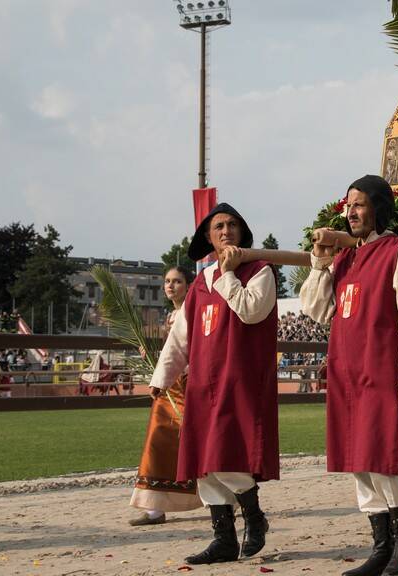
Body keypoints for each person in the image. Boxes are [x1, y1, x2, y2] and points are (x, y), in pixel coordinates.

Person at [300, 175, 398, 576]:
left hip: (382, 374)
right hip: (346, 376)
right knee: (358, 459)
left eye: (359, 204)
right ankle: (383, 544)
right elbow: (317, 310)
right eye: (348, 205)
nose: (351, 212)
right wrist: (320, 263)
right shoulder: (344, 259)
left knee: (383, 456)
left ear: (379, 207)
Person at [150, 203, 280, 565]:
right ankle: (223, 538)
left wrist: (227, 274)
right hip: (201, 386)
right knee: (202, 465)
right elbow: (181, 338)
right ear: (208, 237)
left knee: (225, 457)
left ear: (243, 232)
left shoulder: (260, 272)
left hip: (239, 383)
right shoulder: (199, 284)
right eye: (219, 226)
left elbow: (251, 311)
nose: (226, 231)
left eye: (233, 225)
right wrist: (162, 377)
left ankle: (254, 517)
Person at [129, 266, 203, 526]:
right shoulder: (171, 316)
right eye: (168, 282)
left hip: (189, 385)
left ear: (188, 285)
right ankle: (154, 508)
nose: (171, 286)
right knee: (158, 439)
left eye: (177, 281)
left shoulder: (195, 312)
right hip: (170, 387)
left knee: (201, 442)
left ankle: (231, 495)